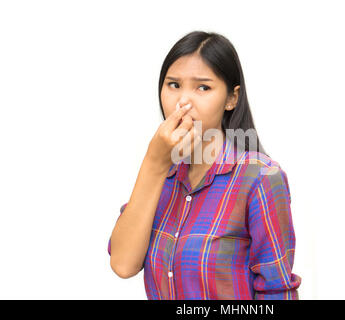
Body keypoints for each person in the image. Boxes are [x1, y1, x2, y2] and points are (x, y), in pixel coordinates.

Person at [107, 31, 301, 299]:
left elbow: (277, 291)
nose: (183, 101)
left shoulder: (261, 178)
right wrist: (154, 163)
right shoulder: (161, 173)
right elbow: (123, 264)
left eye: (203, 87)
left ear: (232, 99)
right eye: (174, 85)